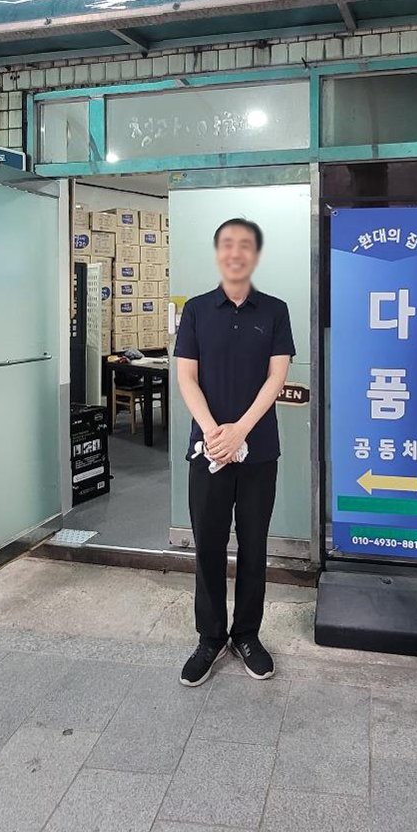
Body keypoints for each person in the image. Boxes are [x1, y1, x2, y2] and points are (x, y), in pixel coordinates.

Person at [174, 217, 295, 686]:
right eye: (227, 244)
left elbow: (277, 377)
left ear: (256, 255)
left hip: (258, 451)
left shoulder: (275, 311)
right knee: (207, 545)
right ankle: (210, 638)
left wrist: (240, 431)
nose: (235, 252)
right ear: (217, 253)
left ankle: (247, 634)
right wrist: (213, 434)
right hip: (206, 451)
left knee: (253, 544)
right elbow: (187, 377)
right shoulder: (197, 310)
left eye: (245, 245)